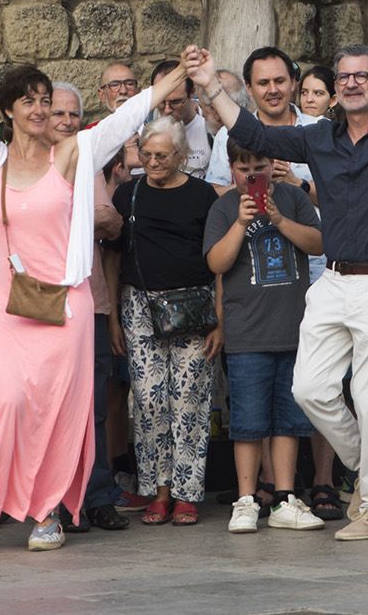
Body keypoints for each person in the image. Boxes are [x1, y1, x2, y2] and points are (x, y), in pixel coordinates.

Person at [0, 2, 197, 552]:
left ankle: (47, 512)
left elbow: (121, 120)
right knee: (6, 403)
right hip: (10, 307)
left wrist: (179, 78)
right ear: (9, 111)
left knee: (59, 414)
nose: (42, 109)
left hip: (64, 308)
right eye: (31, 101)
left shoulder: (70, 154)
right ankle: (14, 496)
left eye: (47, 100)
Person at [187, 35, 368, 542]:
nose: (349, 83)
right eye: (343, 76)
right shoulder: (317, 138)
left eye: (360, 76)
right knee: (309, 389)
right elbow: (254, 132)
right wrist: (210, 84)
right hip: (333, 281)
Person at [205, 139, 325, 533]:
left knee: (288, 419)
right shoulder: (224, 208)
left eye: (259, 166)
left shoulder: (292, 198)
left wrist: (278, 219)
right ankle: (245, 499)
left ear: (272, 165)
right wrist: (242, 222)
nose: (252, 175)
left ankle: (286, 498)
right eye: (244, 169)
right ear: (231, 168)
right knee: (248, 420)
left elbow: (318, 242)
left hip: (292, 328)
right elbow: (216, 262)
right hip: (247, 333)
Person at [113, 118, 222, 525]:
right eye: (148, 155)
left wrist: (220, 321)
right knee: (148, 401)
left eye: (163, 155)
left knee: (190, 401)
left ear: (181, 156)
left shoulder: (202, 195)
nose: (154, 162)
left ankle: (187, 493)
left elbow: (218, 265)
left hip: (193, 306)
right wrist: (113, 322)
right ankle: (157, 491)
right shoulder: (128, 194)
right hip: (139, 306)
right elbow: (112, 256)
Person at [45, 83, 131, 535]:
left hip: (90, 303)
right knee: (49, 409)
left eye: (73, 114)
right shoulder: (23, 164)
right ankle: (55, 501)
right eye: (56, 112)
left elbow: (112, 223)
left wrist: (76, 215)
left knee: (93, 407)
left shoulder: (87, 162)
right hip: (39, 305)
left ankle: (95, 497)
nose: (64, 121)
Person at [207, 47, 320, 200]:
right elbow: (213, 193)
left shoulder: (319, 129)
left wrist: (298, 183)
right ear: (249, 88)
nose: (273, 90)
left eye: (279, 81)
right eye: (263, 83)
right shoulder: (228, 134)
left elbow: (341, 198)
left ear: (293, 82)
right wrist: (255, 181)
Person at [150, 59, 211, 178]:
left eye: (175, 102)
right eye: (161, 102)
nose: (167, 109)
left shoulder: (209, 126)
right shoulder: (143, 125)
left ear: (192, 92)